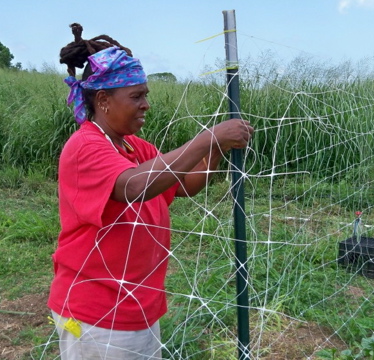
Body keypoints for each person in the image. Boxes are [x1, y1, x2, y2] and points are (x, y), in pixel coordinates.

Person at [47, 23, 253, 360]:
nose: (145, 105)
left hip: (137, 304)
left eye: (146, 95)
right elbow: (135, 186)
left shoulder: (134, 146)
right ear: (103, 100)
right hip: (97, 312)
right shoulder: (85, 146)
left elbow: (184, 185)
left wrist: (215, 150)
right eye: (136, 96)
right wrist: (206, 138)